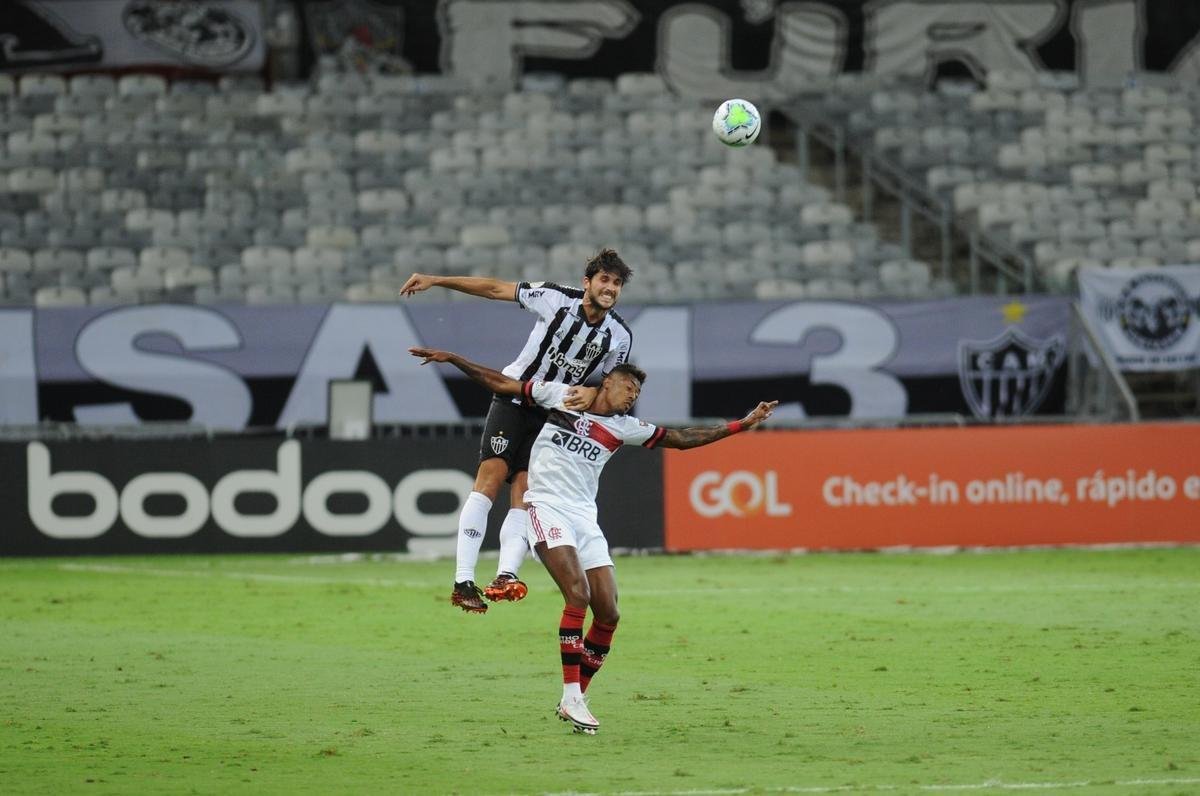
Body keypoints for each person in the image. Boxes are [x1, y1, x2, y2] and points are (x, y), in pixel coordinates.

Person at [409, 344, 777, 735]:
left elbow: (684, 438)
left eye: (638, 392)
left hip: (586, 519)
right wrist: (455, 359)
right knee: (578, 596)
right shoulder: (562, 397)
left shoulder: (626, 429)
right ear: (608, 382)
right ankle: (570, 695)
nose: (634, 395)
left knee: (609, 612)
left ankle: (575, 697)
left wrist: (741, 424)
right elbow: (502, 382)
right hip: (545, 507)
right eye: (629, 386)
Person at [399, 249, 634, 613]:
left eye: (617, 283)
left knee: (526, 492)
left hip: (552, 415)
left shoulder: (619, 335)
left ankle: (505, 576)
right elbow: (495, 289)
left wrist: (595, 391)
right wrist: (436, 279)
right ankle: (463, 580)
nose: (610, 288)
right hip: (513, 397)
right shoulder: (556, 298)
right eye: (604, 279)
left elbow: (612, 385)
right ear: (587, 282)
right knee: (490, 479)